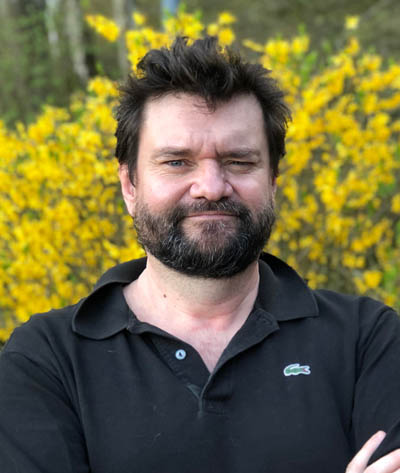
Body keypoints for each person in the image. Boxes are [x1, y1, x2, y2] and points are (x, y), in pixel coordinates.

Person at [0, 36, 400, 473]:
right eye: (177, 162)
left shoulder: (368, 340)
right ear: (129, 185)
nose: (211, 187)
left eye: (239, 162)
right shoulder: (47, 360)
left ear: (273, 181)